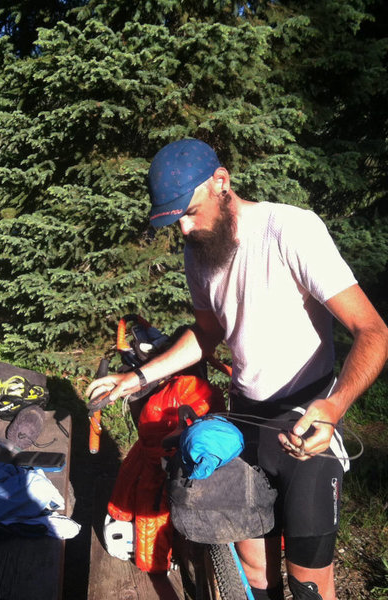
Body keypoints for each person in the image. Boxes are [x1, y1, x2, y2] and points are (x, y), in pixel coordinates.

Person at [86, 139, 388, 600]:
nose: (185, 229)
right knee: (255, 568)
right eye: (175, 222)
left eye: (190, 212)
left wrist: (333, 406)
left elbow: (373, 330)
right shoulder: (199, 252)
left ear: (221, 182)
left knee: (308, 583)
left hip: (307, 419)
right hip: (246, 419)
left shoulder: (291, 230)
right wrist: (140, 377)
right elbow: (207, 334)